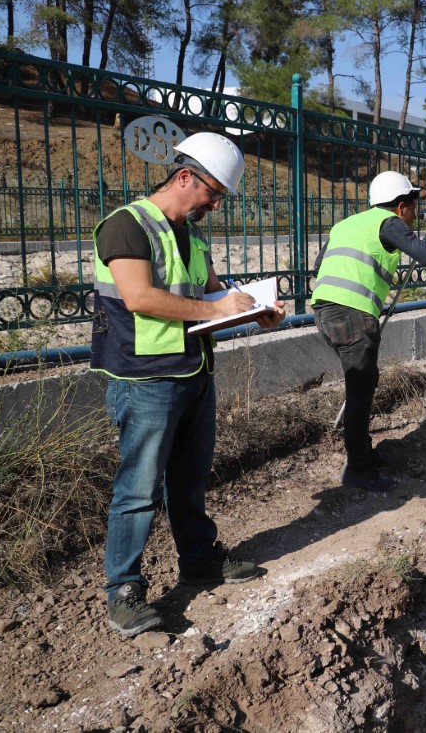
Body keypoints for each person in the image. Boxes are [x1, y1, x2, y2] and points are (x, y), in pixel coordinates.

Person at [91, 131, 287, 638]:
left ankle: (198, 560)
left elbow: (212, 299)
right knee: (138, 488)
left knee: (189, 479)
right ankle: (124, 591)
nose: (215, 204)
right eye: (213, 193)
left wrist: (252, 312)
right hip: (145, 378)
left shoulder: (193, 236)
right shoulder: (127, 226)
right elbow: (139, 298)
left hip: (193, 372)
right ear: (184, 177)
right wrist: (217, 308)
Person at [311, 171, 426, 492]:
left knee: (365, 381)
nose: (414, 214)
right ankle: (359, 470)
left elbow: (318, 266)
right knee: (360, 391)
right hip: (352, 313)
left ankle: (362, 454)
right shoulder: (389, 223)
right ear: (401, 206)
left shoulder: (347, 224)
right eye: (413, 207)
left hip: (325, 310)